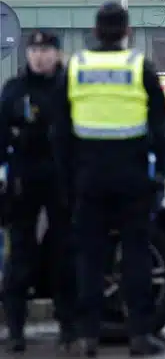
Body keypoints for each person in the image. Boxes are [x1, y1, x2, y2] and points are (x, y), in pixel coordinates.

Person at [52, 1, 165, 356]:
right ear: (126, 32)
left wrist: (67, 181)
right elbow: (162, 130)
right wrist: (161, 175)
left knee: (89, 258)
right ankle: (139, 334)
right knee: (135, 255)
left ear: (94, 31)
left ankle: (88, 336)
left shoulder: (76, 67)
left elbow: (59, 134)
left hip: (88, 178)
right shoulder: (140, 68)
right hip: (132, 177)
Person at [0, 31, 77, 354]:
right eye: (34, 49)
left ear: (57, 54)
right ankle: (16, 329)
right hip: (23, 182)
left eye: (46, 50)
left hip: (62, 181)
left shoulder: (71, 90)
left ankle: (69, 329)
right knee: (20, 257)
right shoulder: (15, 90)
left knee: (65, 256)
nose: (39, 56)